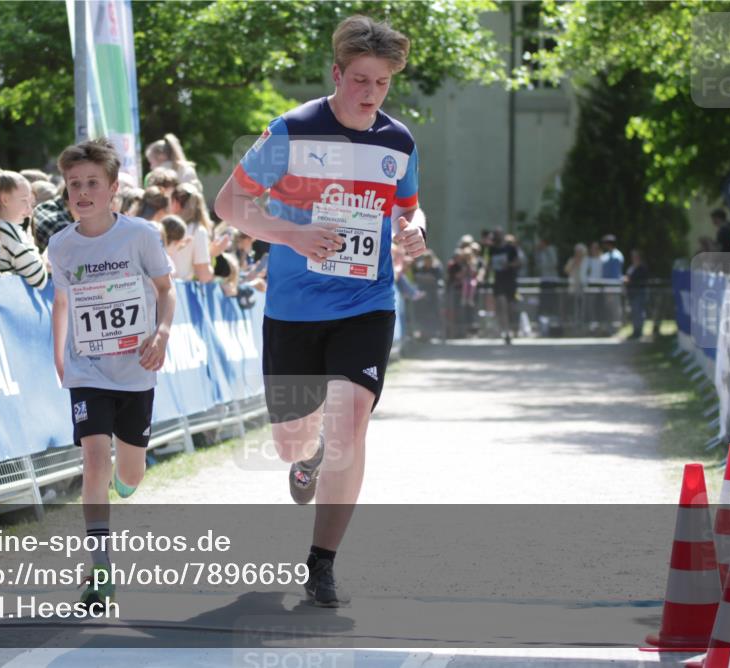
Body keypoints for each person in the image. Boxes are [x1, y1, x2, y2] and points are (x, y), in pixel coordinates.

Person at [214, 15, 426, 607]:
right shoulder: (292, 131)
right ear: (337, 74)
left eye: (381, 83)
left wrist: (415, 230)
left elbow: (409, 207)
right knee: (291, 442)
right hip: (294, 309)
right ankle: (306, 458)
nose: (370, 93)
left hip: (366, 301)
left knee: (350, 423)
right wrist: (293, 235)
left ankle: (322, 562)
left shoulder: (398, 141)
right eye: (360, 80)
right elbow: (230, 203)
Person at [48, 138, 175, 610]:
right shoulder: (61, 245)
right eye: (74, 184)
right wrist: (59, 356)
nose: (82, 193)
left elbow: (166, 289)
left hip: (136, 369)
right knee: (95, 458)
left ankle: (127, 479)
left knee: (130, 473)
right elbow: (62, 302)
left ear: (113, 188)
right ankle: (100, 569)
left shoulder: (140, 235)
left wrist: (161, 334)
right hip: (88, 369)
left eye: (92, 183)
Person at [488, 229, 520, 344]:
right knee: (502, 306)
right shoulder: (492, 249)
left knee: (511, 307)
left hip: (510, 280)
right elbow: (489, 264)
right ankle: (506, 332)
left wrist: (508, 264)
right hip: (498, 281)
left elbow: (518, 262)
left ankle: (512, 328)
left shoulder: (511, 248)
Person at [624, 249, 649, 340]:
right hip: (632, 294)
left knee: (639, 312)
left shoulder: (642, 268)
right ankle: (635, 331)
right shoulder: (631, 267)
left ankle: (639, 331)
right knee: (634, 313)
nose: (634, 258)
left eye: (635, 256)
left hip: (640, 293)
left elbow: (640, 280)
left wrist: (630, 280)